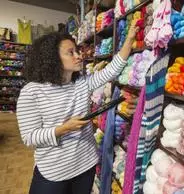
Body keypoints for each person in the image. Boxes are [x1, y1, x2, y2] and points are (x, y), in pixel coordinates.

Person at [16, 24, 139, 194]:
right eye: (70, 52)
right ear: (52, 58)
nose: (79, 56)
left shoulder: (81, 83)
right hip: (54, 171)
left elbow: (111, 70)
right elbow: (29, 137)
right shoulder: (32, 92)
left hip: (85, 165)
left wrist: (130, 39)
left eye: (77, 51)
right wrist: (63, 129)